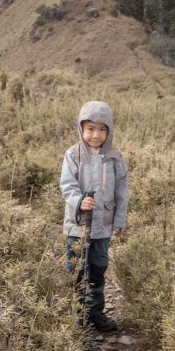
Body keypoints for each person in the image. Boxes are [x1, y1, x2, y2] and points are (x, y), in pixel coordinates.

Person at [59, 100, 129, 333]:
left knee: (98, 267)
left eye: (102, 129)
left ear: (109, 130)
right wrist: (80, 200)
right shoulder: (73, 154)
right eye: (90, 129)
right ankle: (77, 314)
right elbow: (67, 185)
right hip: (77, 226)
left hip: (102, 226)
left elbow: (121, 190)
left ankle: (95, 312)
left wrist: (119, 221)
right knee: (76, 268)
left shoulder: (115, 157)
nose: (95, 135)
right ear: (81, 128)